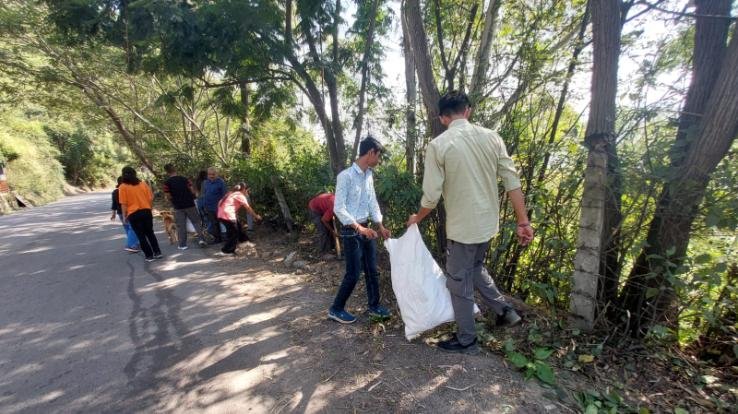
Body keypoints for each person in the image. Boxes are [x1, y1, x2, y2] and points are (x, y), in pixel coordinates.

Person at [407, 91, 534, 354]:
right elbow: (512, 181)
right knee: (475, 267)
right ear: (468, 111)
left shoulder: (439, 145)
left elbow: (431, 196)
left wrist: (416, 218)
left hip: (463, 229)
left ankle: (467, 340)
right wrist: (523, 222)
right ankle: (504, 310)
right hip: (488, 225)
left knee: (457, 282)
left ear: (442, 118)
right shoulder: (492, 137)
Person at [329, 136, 392, 324]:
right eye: (378, 155)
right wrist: (359, 228)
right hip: (351, 230)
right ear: (370, 152)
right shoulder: (345, 176)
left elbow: (371, 201)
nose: (379, 160)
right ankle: (336, 308)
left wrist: (379, 225)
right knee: (354, 273)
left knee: (372, 270)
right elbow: (338, 208)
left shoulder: (369, 175)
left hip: (367, 228)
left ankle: (374, 307)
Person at [118, 166, 162, 262]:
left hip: (133, 214)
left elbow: (124, 203)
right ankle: (157, 252)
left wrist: (124, 216)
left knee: (141, 236)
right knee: (150, 233)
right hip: (146, 212)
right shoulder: (143, 184)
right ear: (134, 174)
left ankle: (149, 256)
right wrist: (149, 208)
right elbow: (150, 198)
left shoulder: (122, 187)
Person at [162, 163, 207, 250]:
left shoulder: (167, 183)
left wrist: (173, 200)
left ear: (167, 172)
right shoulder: (185, 179)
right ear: (175, 169)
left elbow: (168, 196)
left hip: (178, 206)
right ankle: (202, 240)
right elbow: (192, 191)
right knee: (196, 222)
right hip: (190, 204)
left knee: (181, 225)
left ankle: (182, 245)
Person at [216, 182, 262, 256]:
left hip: (221, 214)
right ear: (244, 189)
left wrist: (234, 214)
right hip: (228, 215)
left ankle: (246, 242)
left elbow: (220, 203)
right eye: (247, 190)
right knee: (234, 233)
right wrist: (256, 216)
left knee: (238, 228)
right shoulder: (240, 195)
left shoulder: (231, 193)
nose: (248, 192)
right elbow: (248, 208)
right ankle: (226, 251)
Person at [110, 176, 140, 253]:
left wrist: (113, 214)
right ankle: (131, 245)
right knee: (132, 228)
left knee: (128, 229)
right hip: (128, 212)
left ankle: (135, 244)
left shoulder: (115, 192)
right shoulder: (126, 190)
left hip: (120, 213)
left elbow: (114, 204)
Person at [202, 167, 226, 243]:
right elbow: (205, 194)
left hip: (219, 207)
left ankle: (226, 238)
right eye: (209, 174)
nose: (211, 176)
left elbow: (224, 195)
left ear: (217, 174)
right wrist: (204, 205)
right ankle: (217, 239)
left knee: (223, 223)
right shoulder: (206, 182)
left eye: (213, 174)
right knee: (213, 223)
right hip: (209, 207)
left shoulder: (221, 182)